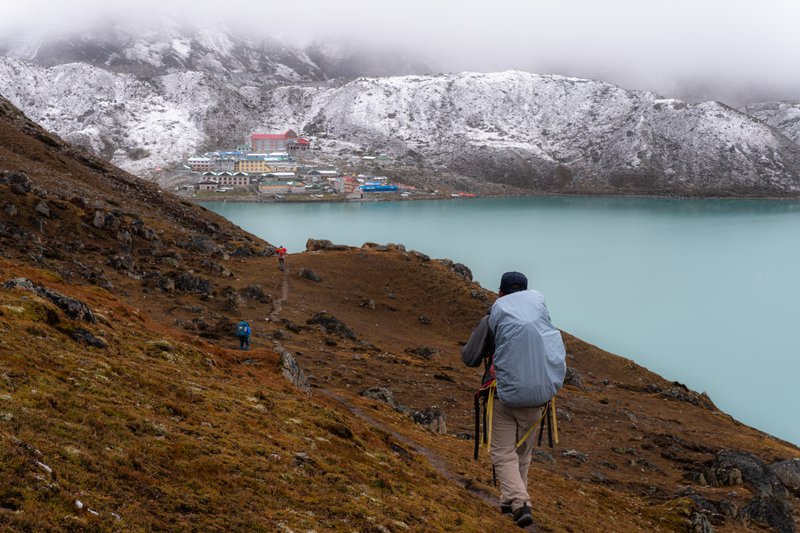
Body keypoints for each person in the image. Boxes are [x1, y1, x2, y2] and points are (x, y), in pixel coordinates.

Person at [461, 271, 566, 529]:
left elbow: (470, 358)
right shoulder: (541, 319)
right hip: (539, 398)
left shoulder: (493, 317)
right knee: (522, 453)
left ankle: (520, 502)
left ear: (500, 293)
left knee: (502, 451)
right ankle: (509, 502)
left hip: (503, 396)